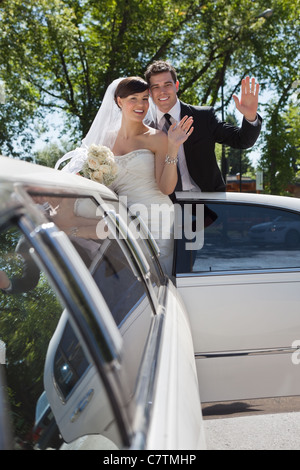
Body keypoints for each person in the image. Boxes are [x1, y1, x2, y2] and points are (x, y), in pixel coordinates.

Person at [55, 77, 194, 276]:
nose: (141, 105)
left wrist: (173, 147)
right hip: (124, 219)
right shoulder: (105, 141)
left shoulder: (157, 138)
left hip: (157, 218)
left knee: (158, 281)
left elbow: (166, 189)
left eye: (145, 99)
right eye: (133, 99)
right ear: (119, 101)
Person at [144, 60, 262, 196]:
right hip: (164, 205)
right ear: (150, 92)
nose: (162, 91)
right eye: (156, 87)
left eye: (167, 84)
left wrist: (250, 116)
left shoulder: (203, 117)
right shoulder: (146, 126)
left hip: (208, 204)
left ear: (176, 85)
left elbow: (242, 140)